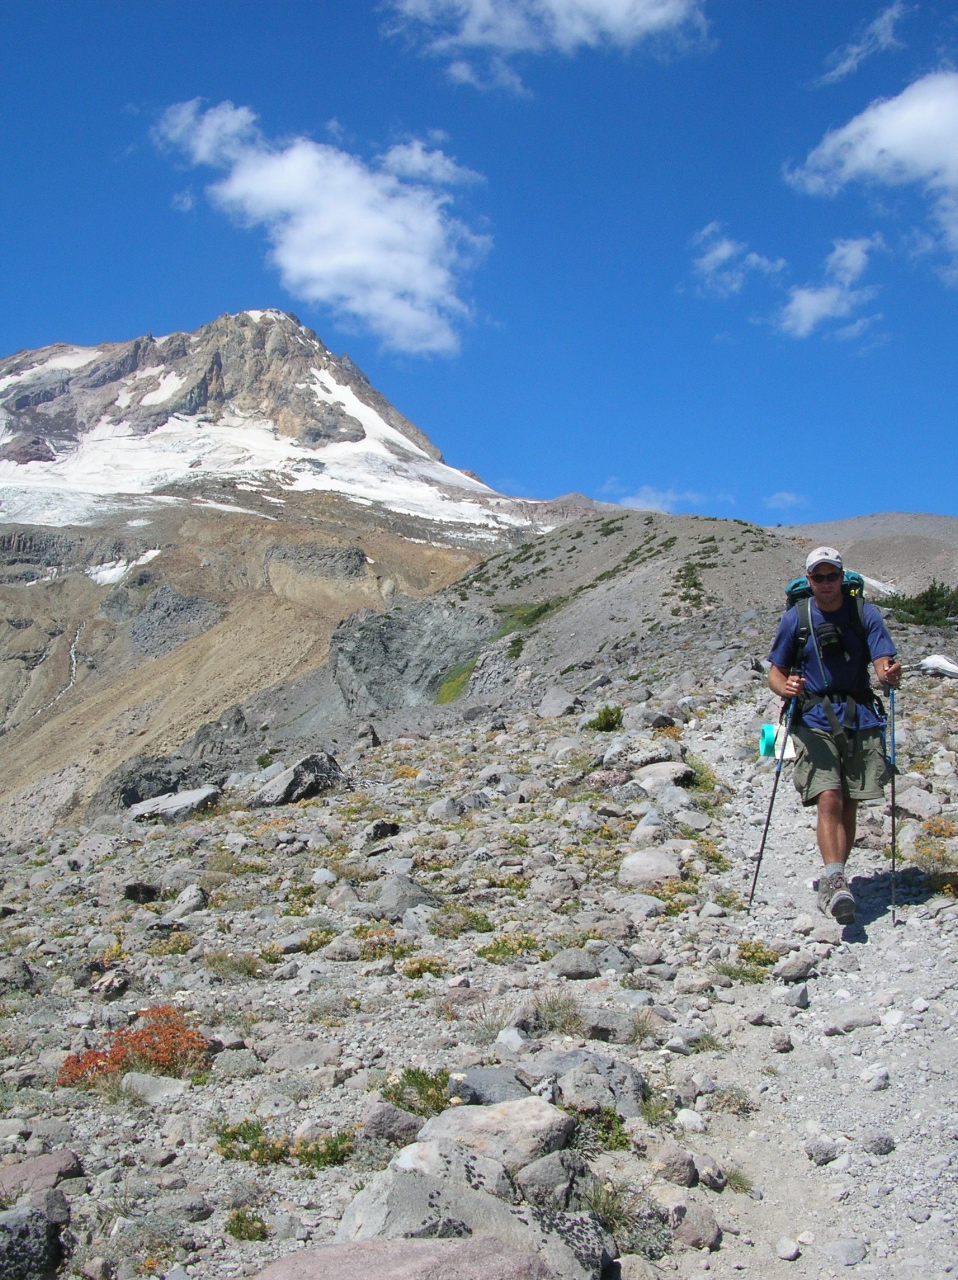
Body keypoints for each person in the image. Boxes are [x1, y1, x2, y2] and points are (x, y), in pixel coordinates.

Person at [767, 546, 901, 924]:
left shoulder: (864, 614)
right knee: (829, 795)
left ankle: (835, 877)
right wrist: (784, 688)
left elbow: (883, 662)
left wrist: (888, 674)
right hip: (812, 717)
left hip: (860, 716)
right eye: (818, 577)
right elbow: (775, 672)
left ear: (842, 577)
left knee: (850, 802)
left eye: (832, 576)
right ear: (809, 580)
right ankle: (836, 879)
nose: (826, 583)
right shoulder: (796, 619)